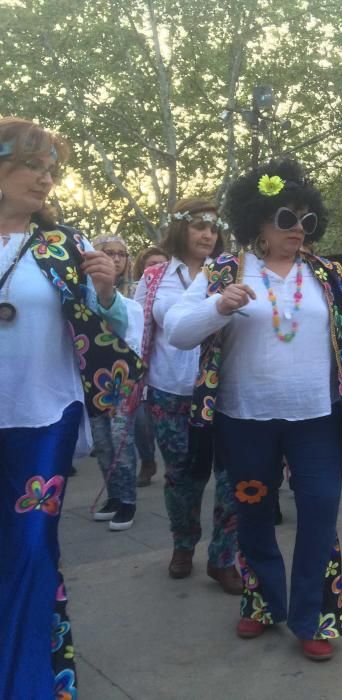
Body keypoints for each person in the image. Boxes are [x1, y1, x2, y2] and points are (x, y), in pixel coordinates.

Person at [165, 159, 342, 659]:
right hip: (244, 419)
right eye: (287, 220)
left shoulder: (326, 274)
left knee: (318, 514)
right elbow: (179, 332)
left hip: (318, 419)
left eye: (307, 221)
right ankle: (263, 602)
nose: (299, 230)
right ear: (258, 223)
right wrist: (218, 306)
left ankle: (315, 615)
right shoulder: (224, 272)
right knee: (251, 516)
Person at [0, 117, 144, 698]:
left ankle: (28, 684)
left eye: (51, 170)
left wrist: (107, 291)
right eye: (33, 165)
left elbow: (121, 323)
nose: (45, 179)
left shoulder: (66, 245)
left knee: (32, 548)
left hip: (43, 420)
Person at [134, 197, 241, 593]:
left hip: (222, 392)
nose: (208, 235)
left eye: (213, 228)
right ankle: (183, 545)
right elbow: (139, 329)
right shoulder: (155, 277)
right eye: (199, 227)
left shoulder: (232, 273)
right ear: (181, 228)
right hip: (170, 392)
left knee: (231, 476)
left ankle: (223, 557)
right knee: (182, 476)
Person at [88, 233, 143, 531]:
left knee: (122, 440)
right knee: (103, 442)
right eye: (108, 252)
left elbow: (126, 326)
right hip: (93, 378)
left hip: (123, 379)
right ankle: (113, 495)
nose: (116, 258)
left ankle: (128, 500)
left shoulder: (130, 294)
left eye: (121, 253)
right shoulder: (80, 292)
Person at [131, 246, 168, 486]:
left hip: (170, 369)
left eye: (160, 263)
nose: (155, 268)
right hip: (143, 363)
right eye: (150, 263)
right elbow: (135, 326)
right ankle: (147, 459)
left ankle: (173, 465)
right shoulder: (135, 289)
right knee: (141, 420)